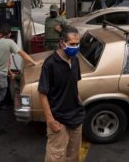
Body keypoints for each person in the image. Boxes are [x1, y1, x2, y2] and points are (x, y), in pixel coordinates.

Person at [0, 23, 40, 134]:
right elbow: (22, 54)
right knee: (1, 95)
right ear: (10, 34)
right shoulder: (10, 43)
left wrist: (9, 71)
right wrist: (34, 62)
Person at [38, 26, 85, 162]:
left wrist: (79, 102)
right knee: (56, 157)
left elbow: (74, 85)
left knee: (73, 155)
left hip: (76, 117)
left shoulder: (75, 60)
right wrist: (50, 120)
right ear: (62, 43)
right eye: (72, 44)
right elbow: (42, 94)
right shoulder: (50, 64)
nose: (75, 47)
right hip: (58, 119)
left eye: (77, 44)